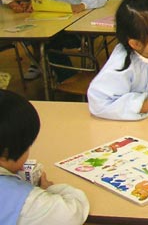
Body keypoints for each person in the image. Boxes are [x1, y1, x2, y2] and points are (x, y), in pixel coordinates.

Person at [0, 90, 90, 224]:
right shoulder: (23, 201)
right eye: (28, 146)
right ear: (5, 154)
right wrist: (50, 189)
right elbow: (72, 213)